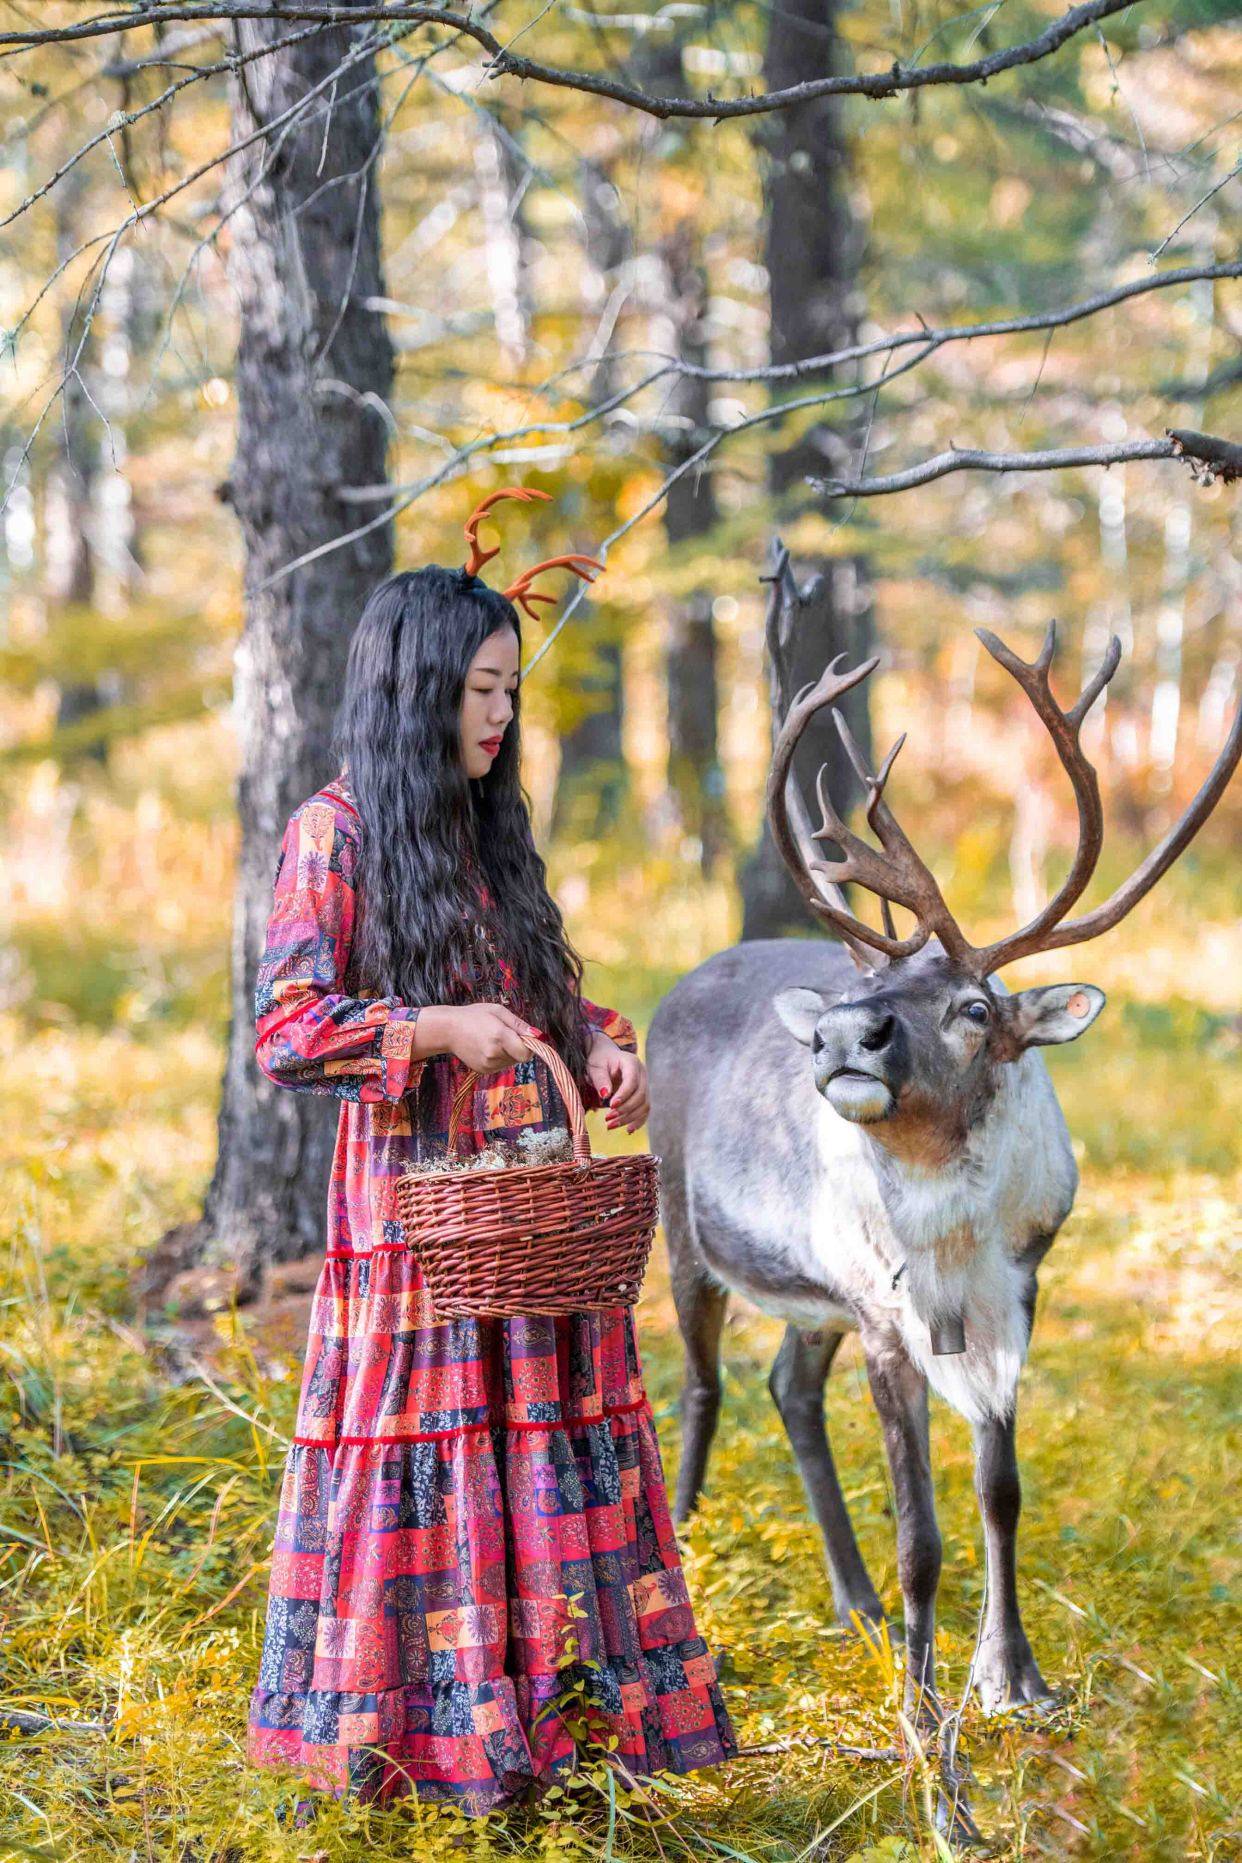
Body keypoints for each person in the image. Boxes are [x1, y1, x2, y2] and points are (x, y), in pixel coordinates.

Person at [245, 489, 736, 1817]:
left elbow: (535, 993)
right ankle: (417, 1751)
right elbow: (286, 1030)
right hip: (418, 1236)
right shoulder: (332, 833)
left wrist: (599, 1050)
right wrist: (430, 1030)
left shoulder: (483, 832)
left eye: (507, 689)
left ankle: (559, 1739)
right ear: (413, 692)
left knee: (547, 1459)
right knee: (438, 1466)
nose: (497, 714)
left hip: (531, 1213)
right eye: (475, 690)